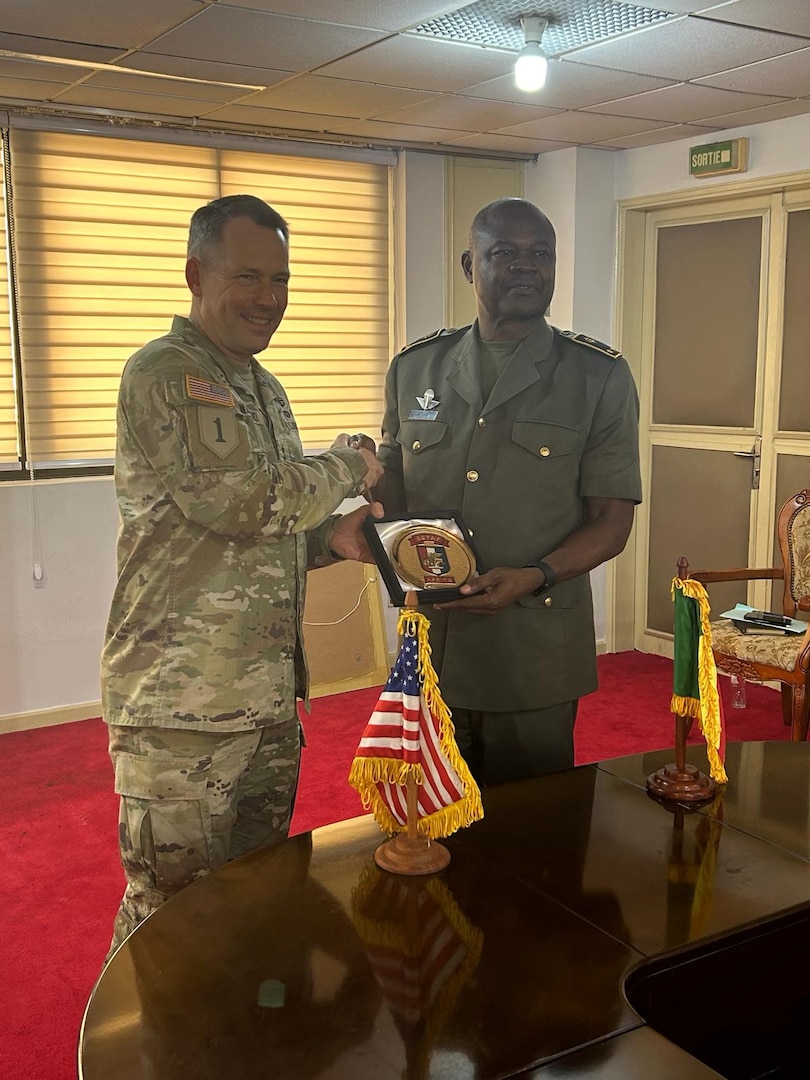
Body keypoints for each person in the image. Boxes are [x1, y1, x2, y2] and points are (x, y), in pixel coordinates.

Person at [100, 194, 383, 956]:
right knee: (173, 919)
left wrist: (334, 538)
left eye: (281, 280)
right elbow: (243, 501)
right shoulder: (171, 374)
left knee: (255, 902)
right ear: (196, 274)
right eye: (249, 277)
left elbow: (260, 531)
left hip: (261, 703)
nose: (269, 298)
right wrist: (353, 461)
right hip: (181, 711)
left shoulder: (260, 385)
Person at [371, 197, 641, 786]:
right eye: (505, 254)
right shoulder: (417, 367)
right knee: (434, 828)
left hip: (534, 650)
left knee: (534, 837)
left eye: (540, 254)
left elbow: (611, 521)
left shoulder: (597, 375)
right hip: (432, 645)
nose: (526, 267)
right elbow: (394, 490)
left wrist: (537, 573)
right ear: (471, 266)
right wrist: (367, 473)